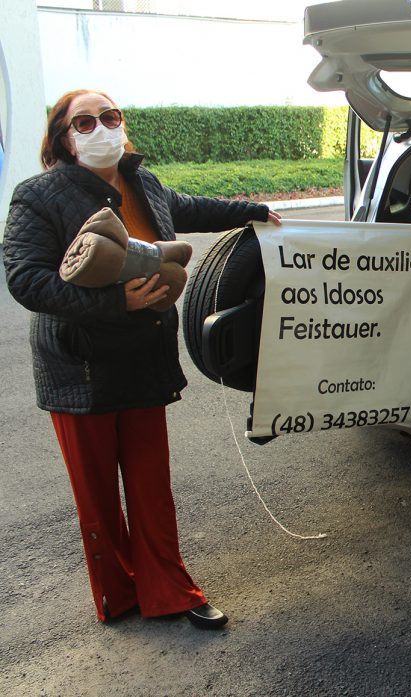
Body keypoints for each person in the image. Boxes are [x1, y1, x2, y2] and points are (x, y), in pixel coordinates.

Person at [2, 89, 282, 629]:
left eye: (109, 116)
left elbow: (190, 208)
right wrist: (113, 302)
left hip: (144, 357)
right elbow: (25, 279)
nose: (101, 128)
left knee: (153, 486)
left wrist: (254, 211)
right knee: (98, 494)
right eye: (84, 122)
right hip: (81, 365)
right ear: (63, 138)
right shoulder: (38, 195)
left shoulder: (142, 182)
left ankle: (170, 591)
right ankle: (119, 594)